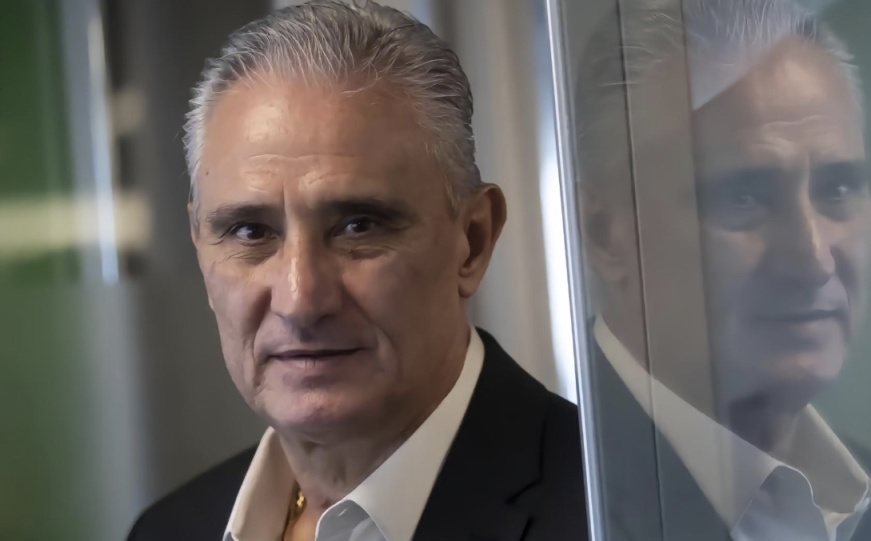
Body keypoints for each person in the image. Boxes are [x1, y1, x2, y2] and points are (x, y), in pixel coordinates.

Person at [127, 1, 586, 540]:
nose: (300, 300)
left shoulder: (628, 514)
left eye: (358, 227)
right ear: (201, 249)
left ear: (472, 241)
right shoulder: (167, 530)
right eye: (251, 232)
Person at [576, 0, 871, 539]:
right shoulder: (527, 499)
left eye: (837, 189)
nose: (813, 259)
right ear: (604, 232)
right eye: (744, 196)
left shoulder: (859, 492)